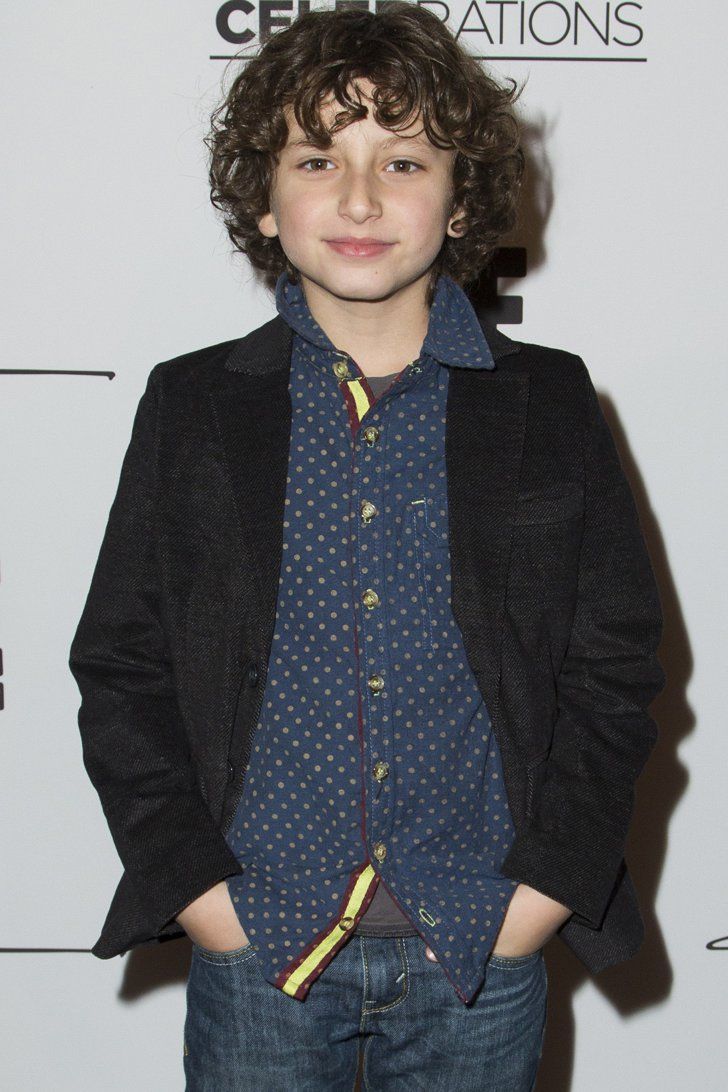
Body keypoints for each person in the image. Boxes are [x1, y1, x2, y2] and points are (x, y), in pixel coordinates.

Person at [68, 5, 666, 1089]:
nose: (356, 197)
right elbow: (121, 663)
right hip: (256, 941)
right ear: (264, 195)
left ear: (459, 197)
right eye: (315, 157)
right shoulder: (195, 405)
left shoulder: (549, 402)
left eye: (401, 159)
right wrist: (200, 894)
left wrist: (538, 896)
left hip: (478, 941)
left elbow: (612, 666)